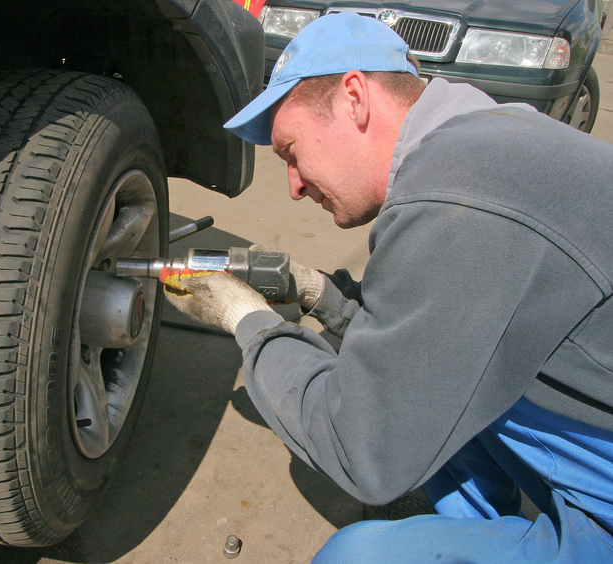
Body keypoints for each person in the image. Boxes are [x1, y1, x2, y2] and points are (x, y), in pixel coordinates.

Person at [160, 12, 613, 562]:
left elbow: (360, 449)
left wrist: (249, 323)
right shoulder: (480, 143)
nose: (295, 186)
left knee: (354, 558)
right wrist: (322, 296)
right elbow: (425, 335)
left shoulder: (455, 201)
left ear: (354, 97)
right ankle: (481, 528)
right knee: (433, 382)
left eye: (291, 152)